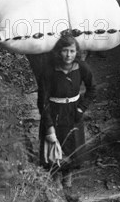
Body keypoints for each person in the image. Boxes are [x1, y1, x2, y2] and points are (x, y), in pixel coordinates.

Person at [37, 34, 96, 193]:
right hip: (55, 113)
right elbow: (42, 101)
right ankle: (55, 181)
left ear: (77, 52)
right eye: (65, 51)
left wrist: (81, 108)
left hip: (73, 113)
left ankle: (68, 182)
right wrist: (49, 127)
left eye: (72, 51)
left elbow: (92, 89)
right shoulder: (49, 71)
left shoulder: (82, 67)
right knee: (55, 146)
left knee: (73, 146)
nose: (68, 55)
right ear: (58, 52)